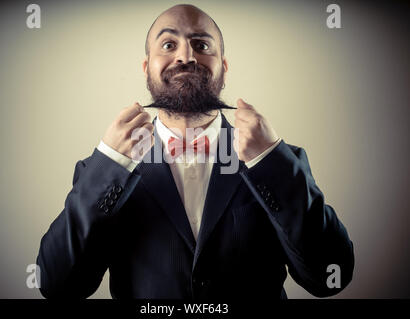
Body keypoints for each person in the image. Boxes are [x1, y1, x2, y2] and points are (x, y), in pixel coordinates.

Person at [36, 4, 354, 299]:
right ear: (146, 67)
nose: (186, 56)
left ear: (224, 68)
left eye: (201, 45)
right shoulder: (103, 169)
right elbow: (57, 285)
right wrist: (111, 164)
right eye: (168, 45)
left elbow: (329, 277)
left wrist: (269, 161)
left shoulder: (279, 161)